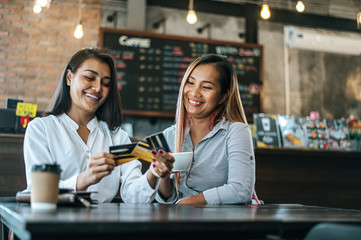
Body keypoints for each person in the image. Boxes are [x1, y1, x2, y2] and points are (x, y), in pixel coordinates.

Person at [23, 47, 173, 203]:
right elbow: (38, 189)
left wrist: (153, 174)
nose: (97, 88)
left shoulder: (117, 137)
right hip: (53, 223)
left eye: (106, 83)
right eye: (89, 77)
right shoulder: (42, 129)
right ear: (69, 77)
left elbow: (133, 196)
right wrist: (84, 179)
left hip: (103, 225)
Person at [154, 54, 256, 205]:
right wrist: (161, 174)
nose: (195, 93)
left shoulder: (236, 132)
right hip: (179, 223)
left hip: (220, 224)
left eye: (206, 87)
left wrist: (188, 202)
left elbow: (240, 190)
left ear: (223, 96)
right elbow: (170, 199)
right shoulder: (170, 135)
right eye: (190, 83)